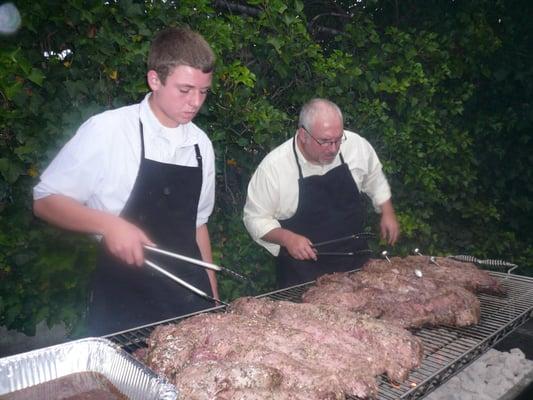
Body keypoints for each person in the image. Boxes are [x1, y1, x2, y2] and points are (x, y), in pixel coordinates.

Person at [33, 27, 219, 335]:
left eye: (203, 91)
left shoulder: (201, 145)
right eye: (185, 90)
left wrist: (211, 296)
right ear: (154, 80)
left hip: (187, 299)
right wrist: (110, 225)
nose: (195, 102)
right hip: (124, 303)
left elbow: (198, 225)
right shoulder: (108, 131)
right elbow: (45, 200)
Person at [243, 98, 399, 288]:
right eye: (325, 141)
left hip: (356, 268)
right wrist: (287, 238)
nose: (333, 149)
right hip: (303, 277)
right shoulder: (274, 168)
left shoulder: (355, 145)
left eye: (338, 139)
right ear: (303, 135)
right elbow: (254, 218)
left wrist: (387, 211)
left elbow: (374, 177)